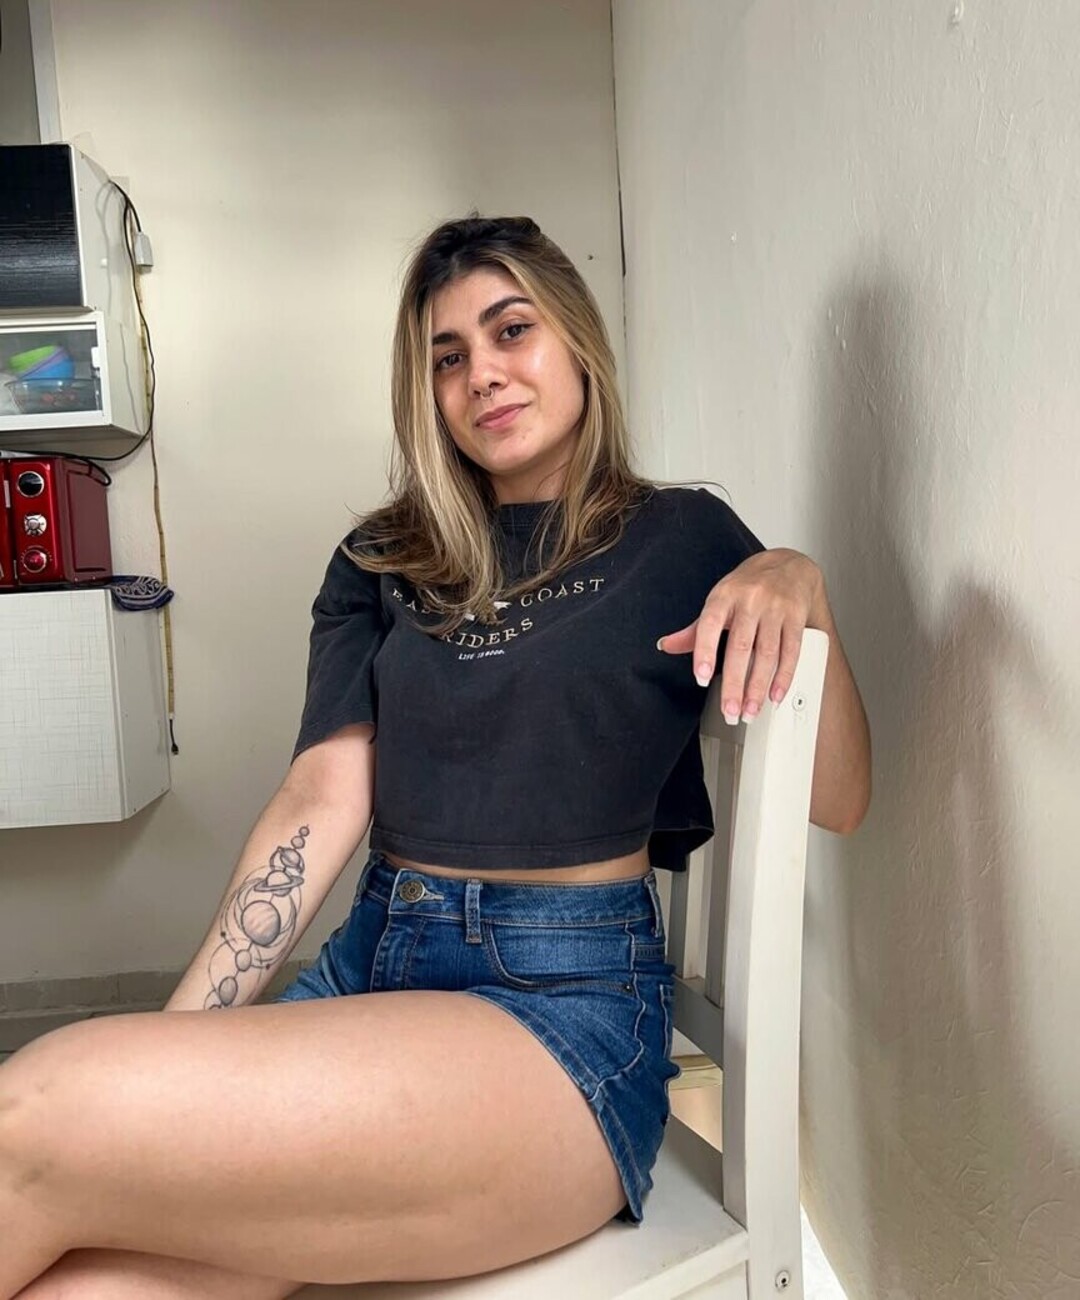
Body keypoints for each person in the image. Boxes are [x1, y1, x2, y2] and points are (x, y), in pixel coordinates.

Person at [0, 215, 871, 1299]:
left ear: (578, 341)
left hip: (559, 1015)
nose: (482, 375)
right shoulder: (382, 558)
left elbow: (839, 797)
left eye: (512, 331)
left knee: (33, 1112)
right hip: (373, 963)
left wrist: (803, 583)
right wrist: (175, 1058)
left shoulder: (682, 536)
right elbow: (320, 800)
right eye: (447, 357)